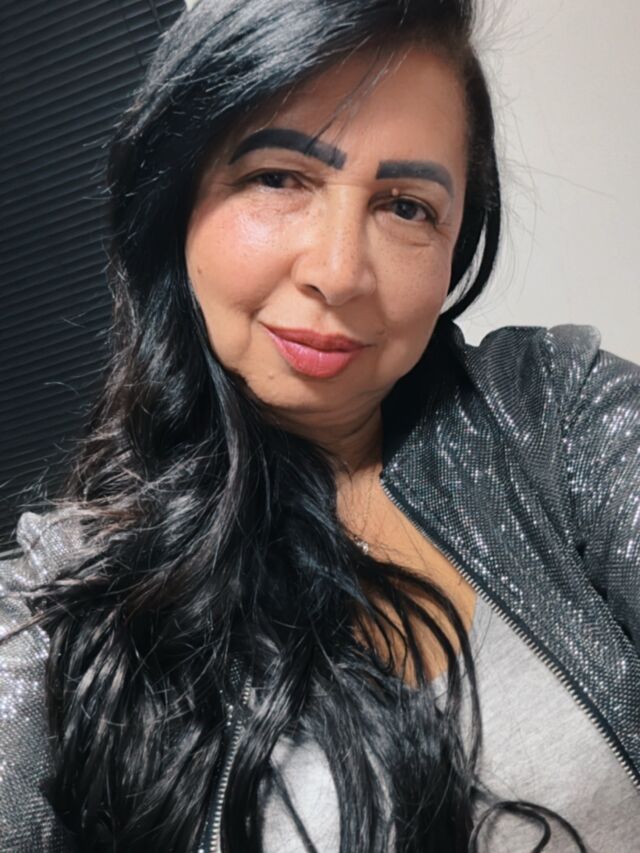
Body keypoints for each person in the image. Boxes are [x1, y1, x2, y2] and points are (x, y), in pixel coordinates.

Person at [1, 0, 638, 850]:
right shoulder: (65, 601)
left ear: (455, 243)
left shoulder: (552, 412)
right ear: (177, 199)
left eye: (405, 206)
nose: (338, 273)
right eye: (278, 177)